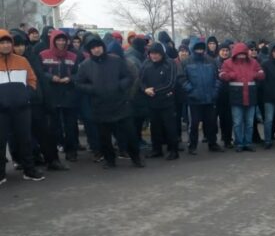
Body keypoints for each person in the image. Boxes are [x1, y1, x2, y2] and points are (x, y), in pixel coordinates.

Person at [75, 34, 144, 169]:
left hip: (120, 104)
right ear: (89, 50)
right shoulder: (85, 65)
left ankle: (136, 158)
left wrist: (120, 86)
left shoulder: (116, 60)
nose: (96, 50)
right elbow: (78, 83)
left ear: (103, 46)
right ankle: (109, 160)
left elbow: (128, 76)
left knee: (130, 134)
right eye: (93, 48)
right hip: (100, 106)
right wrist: (93, 89)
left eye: (98, 46)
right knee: (104, 137)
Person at [11, 30, 68, 171]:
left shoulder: (32, 57)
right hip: (17, 104)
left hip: (36, 101)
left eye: (22, 45)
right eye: (16, 45)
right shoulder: (7, 61)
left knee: (44, 133)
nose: (20, 48)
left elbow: (41, 79)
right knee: (22, 136)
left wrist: (47, 101)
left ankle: (52, 160)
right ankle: (28, 161)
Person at [0, 30, 46, 182]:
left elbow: (32, 79)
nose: (5, 45)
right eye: (2, 42)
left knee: (25, 140)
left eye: (8, 42)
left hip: (22, 108)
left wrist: (26, 94)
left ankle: (29, 170)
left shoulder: (22, 61)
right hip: (1, 111)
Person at [39, 29, 80, 162]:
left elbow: (79, 73)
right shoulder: (43, 55)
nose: (61, 42)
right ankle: (56, 148)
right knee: (54, 126)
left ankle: (71, 150)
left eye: (63, 40)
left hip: (69, 94)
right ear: (53, 41)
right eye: (58, 40)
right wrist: (51, 77)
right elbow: (39, 72)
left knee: (71, 125)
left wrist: (70, 78)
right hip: (52, 94)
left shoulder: (73, 56)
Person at [219, 42, 265, 152]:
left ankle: (248, 143)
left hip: (250, 97)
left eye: (243, 54)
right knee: (237, 122)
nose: (241, 56)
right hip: (236, 97)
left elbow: (262, 74)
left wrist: (253, 75)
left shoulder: (253, 62)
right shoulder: (227, 63)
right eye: (239, 54)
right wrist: (232, 75)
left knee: (249, 123)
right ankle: (239, 143)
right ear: (235, 53)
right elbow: (221, 75)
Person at [181, 38, 222, 155]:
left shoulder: (211, 61)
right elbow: (182, 79)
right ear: (193, 48)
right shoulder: (186, 62)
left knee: (211, 123)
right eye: (197, 48)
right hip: (194, 100)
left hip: (210, 98)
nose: (199, 50)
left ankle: (212, 143)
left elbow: (218, 78)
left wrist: (215, 91)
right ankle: (192, 145)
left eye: (201, 48)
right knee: (194, 124)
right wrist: (191, 91)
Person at [140, 43, 180, 160]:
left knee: (170, 127)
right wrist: (145, 89)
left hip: (167, 101)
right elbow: (140, 80)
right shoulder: (146, 63)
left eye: (157, 53)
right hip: (152, 101)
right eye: (152, 53)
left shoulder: (170, 63)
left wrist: (154, 91)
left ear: (162, 54)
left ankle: (174, 150)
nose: (154, 56)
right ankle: (156, 149)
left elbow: (171, 83)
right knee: (155, 127)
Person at [215, 40, 234, 148]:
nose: (225, 52)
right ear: (219, 51)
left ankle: (228, 139)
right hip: (217, 94)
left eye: (227, 50)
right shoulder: (214, 62)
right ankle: (214, 139)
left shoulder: (233, 62)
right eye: (223, 50)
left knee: (228, 118)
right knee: (218, 118)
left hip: (230, 93)